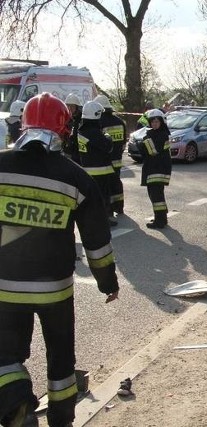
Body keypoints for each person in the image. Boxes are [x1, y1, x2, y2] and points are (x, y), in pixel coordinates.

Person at [0, 92, 119, 427]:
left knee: (4, 356)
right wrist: (107, 283)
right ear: (65, 129)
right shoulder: (75, 177)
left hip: (4, 290)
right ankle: (62, 419)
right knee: (61, 360)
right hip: (55, 291)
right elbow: (97, 242)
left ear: (22, 124)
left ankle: (17, 400)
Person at [77, 100, 117, 226]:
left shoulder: (81, 131)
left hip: (87, 171)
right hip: (101, 171)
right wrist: (108, 137)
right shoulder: (94, 133)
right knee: (102, 197)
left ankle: (93, 220)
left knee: (90, 198)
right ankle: (103, 220)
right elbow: (108, 146)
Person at [138, 109, 172, 229]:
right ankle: (162, 216)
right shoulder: (156, 133)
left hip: (157, 168)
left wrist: (142, 143)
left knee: (156, 195)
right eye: (152, 122)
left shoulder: (161, 135)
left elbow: (152, 151)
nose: (154, 124)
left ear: (162, 122)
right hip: (156, 167)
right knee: (156, 195)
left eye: (157, 121)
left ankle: (160, 221)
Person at [95, 94, 127, 216]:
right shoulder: (120, 122)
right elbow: (124, 143)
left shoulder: (99, 123)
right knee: (117, 183)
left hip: (105, 161)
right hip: (117, 160)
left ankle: (108, 210)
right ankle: (119, 207)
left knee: (106, 186)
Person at [63, 93, 83, 162]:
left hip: (77, 153)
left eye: (72, 106)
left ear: (77, 107)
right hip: (67, 151)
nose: (70, 108)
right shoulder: (65, 118)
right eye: (68, 106)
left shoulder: (81, 119)